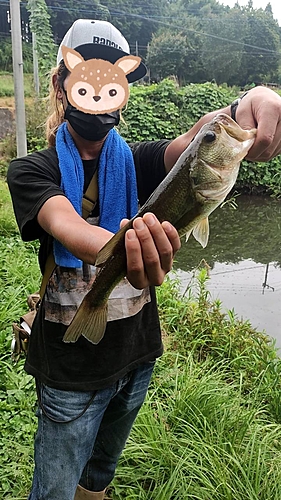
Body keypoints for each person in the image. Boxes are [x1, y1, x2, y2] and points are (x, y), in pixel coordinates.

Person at [7, 18, 281, 500]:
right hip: (70, 371)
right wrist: (121, 249)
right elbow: (69, 227)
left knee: (98, 475)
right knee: (53, 488)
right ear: (61, 85)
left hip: (136, 355)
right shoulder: (31, 171)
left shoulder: (137, 162)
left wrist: (247, 103)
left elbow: (196, 144)